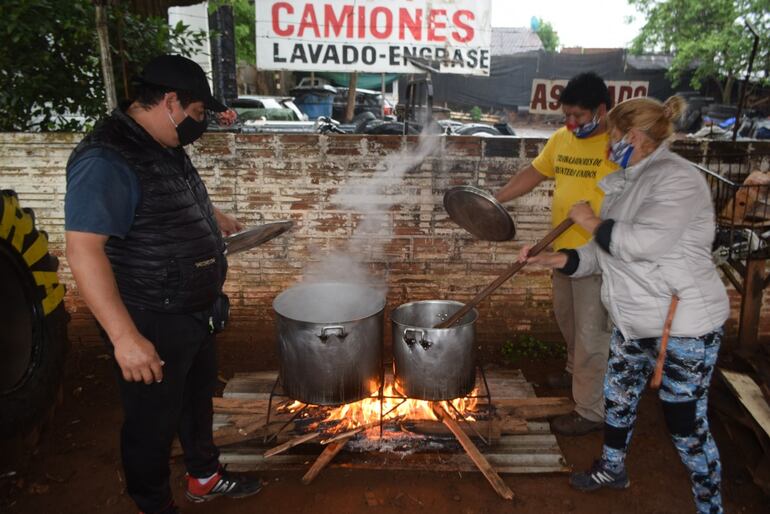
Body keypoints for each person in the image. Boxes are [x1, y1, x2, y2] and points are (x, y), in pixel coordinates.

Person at [65, 55, 260, 514]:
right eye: (196, 114)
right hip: (150, 314)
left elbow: (171, 192)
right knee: (151, 422)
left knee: (196, 401)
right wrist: (125, 338)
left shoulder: (160, 141)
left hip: (192, 309)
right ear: (170, 101)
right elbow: (84, 251)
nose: (198, 125)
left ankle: (204, 477)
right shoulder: (105, 160)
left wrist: (211, 219)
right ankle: (153, 503)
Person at [519, 95, 729, 513]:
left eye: (612, 136)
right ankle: (612, 468)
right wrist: (557, 258)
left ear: (632, 136)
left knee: (685, 424)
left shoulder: (677, 180)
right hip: (633, 320)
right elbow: (603, 252)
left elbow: (639, 244)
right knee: (617, 399)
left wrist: (588, 220)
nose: (607, 145)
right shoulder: (626, 180)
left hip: (683, 325)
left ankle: (711, 504)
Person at [495, 72, 617, 435]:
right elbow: (533, 173)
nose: (571, 123)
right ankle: (572, 370)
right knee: (567, 317)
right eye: (567, 115)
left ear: (601, 109)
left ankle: (591, 410)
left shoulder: (620, 145)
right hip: (563, 251)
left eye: (579, 116)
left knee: (593, 333)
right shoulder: (562, 140)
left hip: (599, 255)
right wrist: (493, 201)